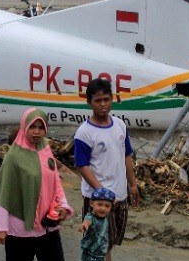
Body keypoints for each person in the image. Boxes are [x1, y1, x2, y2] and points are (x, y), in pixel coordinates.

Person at [0, 108, 73, 261]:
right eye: (32, 127)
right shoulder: (13, 157)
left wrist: (64, 207)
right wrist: (1, 227)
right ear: (25, 127)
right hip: (20, 230)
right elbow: (5, 193)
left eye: (41, 127)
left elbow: (56, 183)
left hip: (47, 225)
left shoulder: (45, 151)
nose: (37, 132)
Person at [74, 78, 140, 261]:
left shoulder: (120, 125)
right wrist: (101, 192)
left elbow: (127, 155)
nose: (103, 104)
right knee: (98, 243)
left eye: (106, 99)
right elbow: (82, 165)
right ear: (89, 102)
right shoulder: (84, 133)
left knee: (110, 242)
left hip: (120, 195)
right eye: (97, 100)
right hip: (98, 199)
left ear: (112, 99)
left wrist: (133, 184)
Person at [79, 188, 115, 261]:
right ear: (91, 203)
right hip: (89, 253)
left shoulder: (106, 217)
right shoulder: (90, 217)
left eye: (107, 206)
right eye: (100, 204)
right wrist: (84, 225)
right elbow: (87, 221)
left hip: (101, 254)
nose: (103, 208)